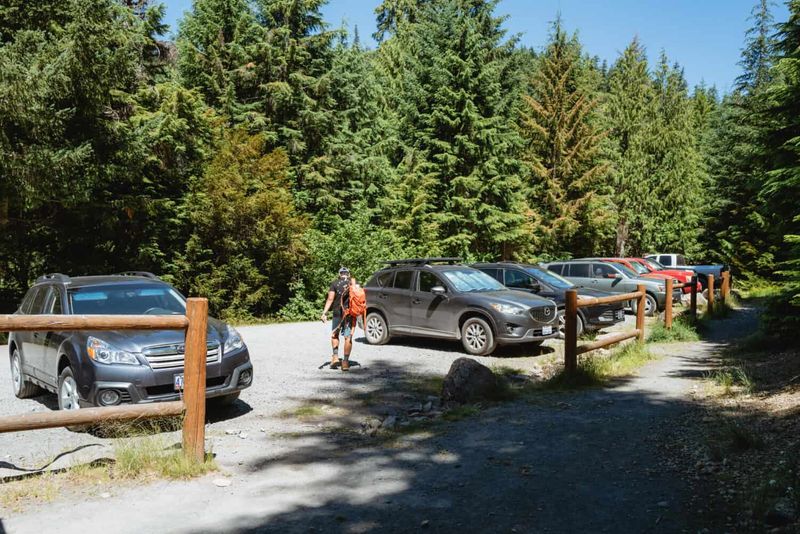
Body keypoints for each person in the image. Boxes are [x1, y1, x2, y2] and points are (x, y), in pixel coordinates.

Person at [321, 266, 354, 371]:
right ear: (348, 274)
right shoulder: (353, 284)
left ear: (340, 274)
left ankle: (335, 357)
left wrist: (324, 313)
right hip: (349, 314)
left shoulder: (335, 283)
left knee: (335, 334)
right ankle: (345, 362)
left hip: (337, 313)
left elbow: (330, 299)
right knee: (348, 337)